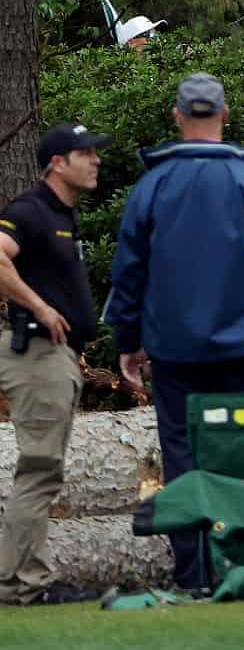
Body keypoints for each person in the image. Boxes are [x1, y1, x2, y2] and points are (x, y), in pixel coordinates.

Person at [106, 73, 244, 589]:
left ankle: (195, 574)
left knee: (184, 459)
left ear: (176, 117)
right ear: (225, 115)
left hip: (175, 349)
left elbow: (128, 271)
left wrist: (127, 340)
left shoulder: (154, 185)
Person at [0, 124, 112, 606]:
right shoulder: (30, 210)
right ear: (56, 164)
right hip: (36, 356)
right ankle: (23, 585)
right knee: (40, 471)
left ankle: (23, 578)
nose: (96, 160)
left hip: (57, 356)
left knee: (44, 471)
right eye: (84, 153)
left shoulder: (62, 215)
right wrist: (40, 307)